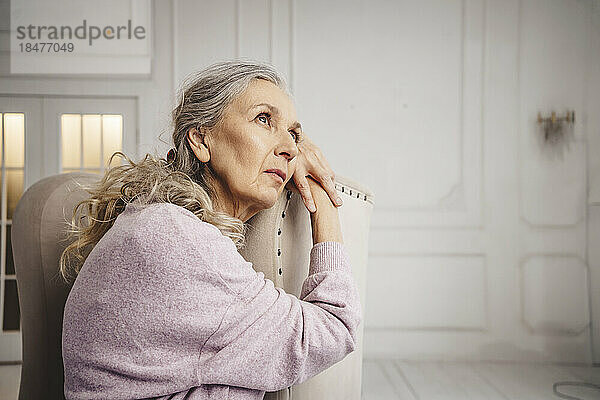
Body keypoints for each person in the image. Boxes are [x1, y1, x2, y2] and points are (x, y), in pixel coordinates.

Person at [59, 60, 362, 400]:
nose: (290, 148)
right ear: (202, 140)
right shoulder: (177, 239)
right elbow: (336, 327)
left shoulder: (155, 222)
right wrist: (323, 199)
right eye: (264, 119)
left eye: (293, 135)